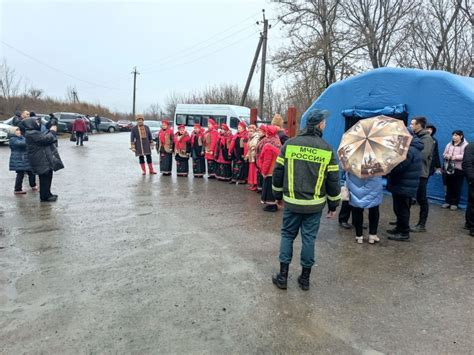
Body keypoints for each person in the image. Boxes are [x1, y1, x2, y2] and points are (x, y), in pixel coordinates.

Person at [272, 109, 341, 291]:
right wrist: (333, 205)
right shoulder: (327, 149)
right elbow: (333, 180)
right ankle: (304, 280)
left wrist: (277, 196)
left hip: (292, 202)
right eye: (324, 122)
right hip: (314, 205)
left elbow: (278, 172)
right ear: (318, 125)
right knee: (309, 239)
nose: (325, 125)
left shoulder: (290, 144)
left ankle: (283, 277)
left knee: (287, 236)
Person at [386, 134, 423, 241]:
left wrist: (390, 162)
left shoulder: (409, 151)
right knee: (400, 208)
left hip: (404, 185)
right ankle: (399, 228)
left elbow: (400, 167)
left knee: (402, 209)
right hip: (403, 184)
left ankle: (403, 233)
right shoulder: (413, 148)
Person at [22, 118, 63, 202]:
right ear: (31, 124)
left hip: (42, 158)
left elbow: (44, 137)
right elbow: (46, 139)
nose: (38, 123)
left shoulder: (34, 132)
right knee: (44, 177)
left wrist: (50, 130)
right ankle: (44, 197)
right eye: (36, 122)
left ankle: (48, 194)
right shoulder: (31, 133)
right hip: (39, 159)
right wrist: (52, 132)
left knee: (48, 175)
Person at [409, 117, 434, 233]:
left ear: (419, 125)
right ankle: (403, 220)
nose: (410, 125)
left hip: (421, 173)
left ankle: (422, 224)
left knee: (421, 198)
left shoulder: (427, 138)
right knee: (408, 197)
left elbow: (423, 155)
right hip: (413, 172)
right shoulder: (416, 137)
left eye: (412, 124)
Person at [346, 173, 383, 244]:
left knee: (357, 209)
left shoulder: (353, 161)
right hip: (373, 184)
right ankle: (372, 235)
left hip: (355, 182)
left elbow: (344, 167)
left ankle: (359, 236)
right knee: (374, 209)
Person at [442, 130, 468, 210]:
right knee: (448, 185)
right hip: (449, 168)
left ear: (461, 136)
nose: (454, 137)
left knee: (456, 186)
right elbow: (444, 154)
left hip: (459, 169)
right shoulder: (449, 144)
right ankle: (447, 201)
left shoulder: (465, 145)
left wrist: (455, 157)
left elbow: (465, 156)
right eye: (453, 135)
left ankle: (454, 203)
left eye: (456, 135)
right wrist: (447, 156)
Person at [258, 125, 281, 212]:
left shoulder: (268, 145)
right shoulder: (277, 141)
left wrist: (264, 172)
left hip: (270, 170)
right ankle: (274, 204)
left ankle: (271, 205)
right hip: (276, 169)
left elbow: (267, 161)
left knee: (269, 189)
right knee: (273, 188)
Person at [9, 127, 37, 194]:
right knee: (20, 174)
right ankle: (17, 189)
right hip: (19, 159)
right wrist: (29, 140)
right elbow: (21, 144)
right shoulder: (12, 139)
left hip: (25, 158)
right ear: (13, 132)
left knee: (31, 172)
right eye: (16, 130)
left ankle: (33, 185)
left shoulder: (22, 137)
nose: (19, 132)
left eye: (19, 130)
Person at [462, 142, 474, 236]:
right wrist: (471, 178)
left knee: (471, 202)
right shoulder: (471, 146)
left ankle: (469, 223)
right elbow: (466, 164)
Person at [245, 124, 259, 191]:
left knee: (254, 171)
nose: (249, 132)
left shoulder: (256, 137)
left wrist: (252, 149)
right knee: (251, 171)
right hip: (251, 156)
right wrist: (247, 154)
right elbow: (249, 148)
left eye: (251, 131)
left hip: (254, 157)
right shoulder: (250, 138)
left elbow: (254, 146)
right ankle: (252, 183)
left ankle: (255, 184)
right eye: (249, 131)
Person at [255, 125, 267, 193]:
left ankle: (261, 188)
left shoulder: (264, 140)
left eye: (260, 131)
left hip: (261, 158)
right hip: (258, 158)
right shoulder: (260, 139)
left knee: (261, 173)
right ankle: (259, 187)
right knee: (259, 173)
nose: (259, 132)